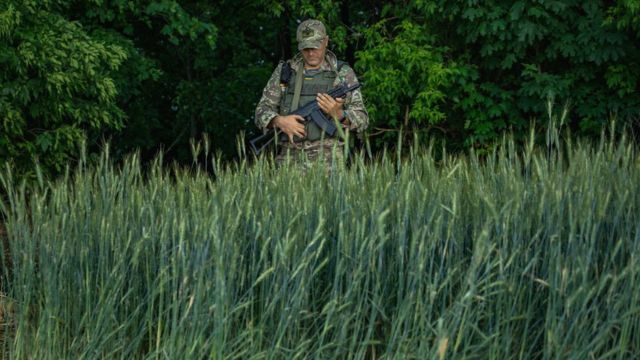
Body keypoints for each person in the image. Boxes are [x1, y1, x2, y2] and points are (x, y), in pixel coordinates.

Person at [254, 19, 369, 169]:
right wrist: (279, 121)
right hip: (289, 161)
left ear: (326, 41)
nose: (311, 53)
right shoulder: (285, 72)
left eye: (315, 46)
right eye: (306, 48)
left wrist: (339, 114)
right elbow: (261, 112)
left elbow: (363, 119)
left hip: (330, 162)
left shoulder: (342, 73)